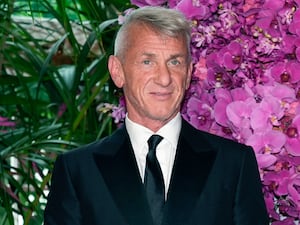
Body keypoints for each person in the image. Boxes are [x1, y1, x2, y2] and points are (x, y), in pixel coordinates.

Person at [44, 6, 269, 225]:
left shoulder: (233, 165)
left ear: (189, 73)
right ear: (117, 71)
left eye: (175, 62)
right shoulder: (77, 171)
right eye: (147, 62)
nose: (164, 78)